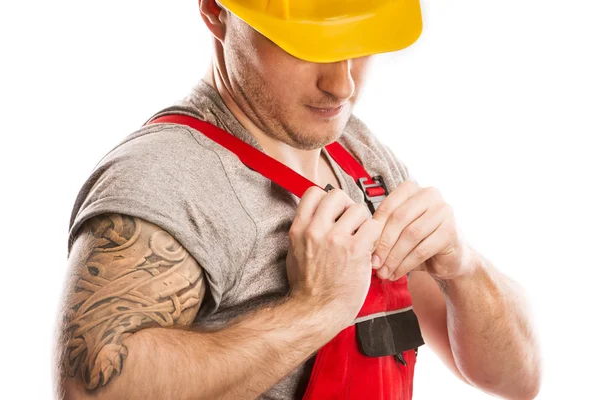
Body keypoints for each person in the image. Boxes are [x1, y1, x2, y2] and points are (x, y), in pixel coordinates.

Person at [54, 1, 542, 399]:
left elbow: (515, 381)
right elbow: (88, 389)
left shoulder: (358, 154)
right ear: (214, 12)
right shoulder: (166, 177)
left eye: (357, 43)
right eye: (307, 46)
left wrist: (464, 269)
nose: (342, 84)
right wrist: (314, 310)